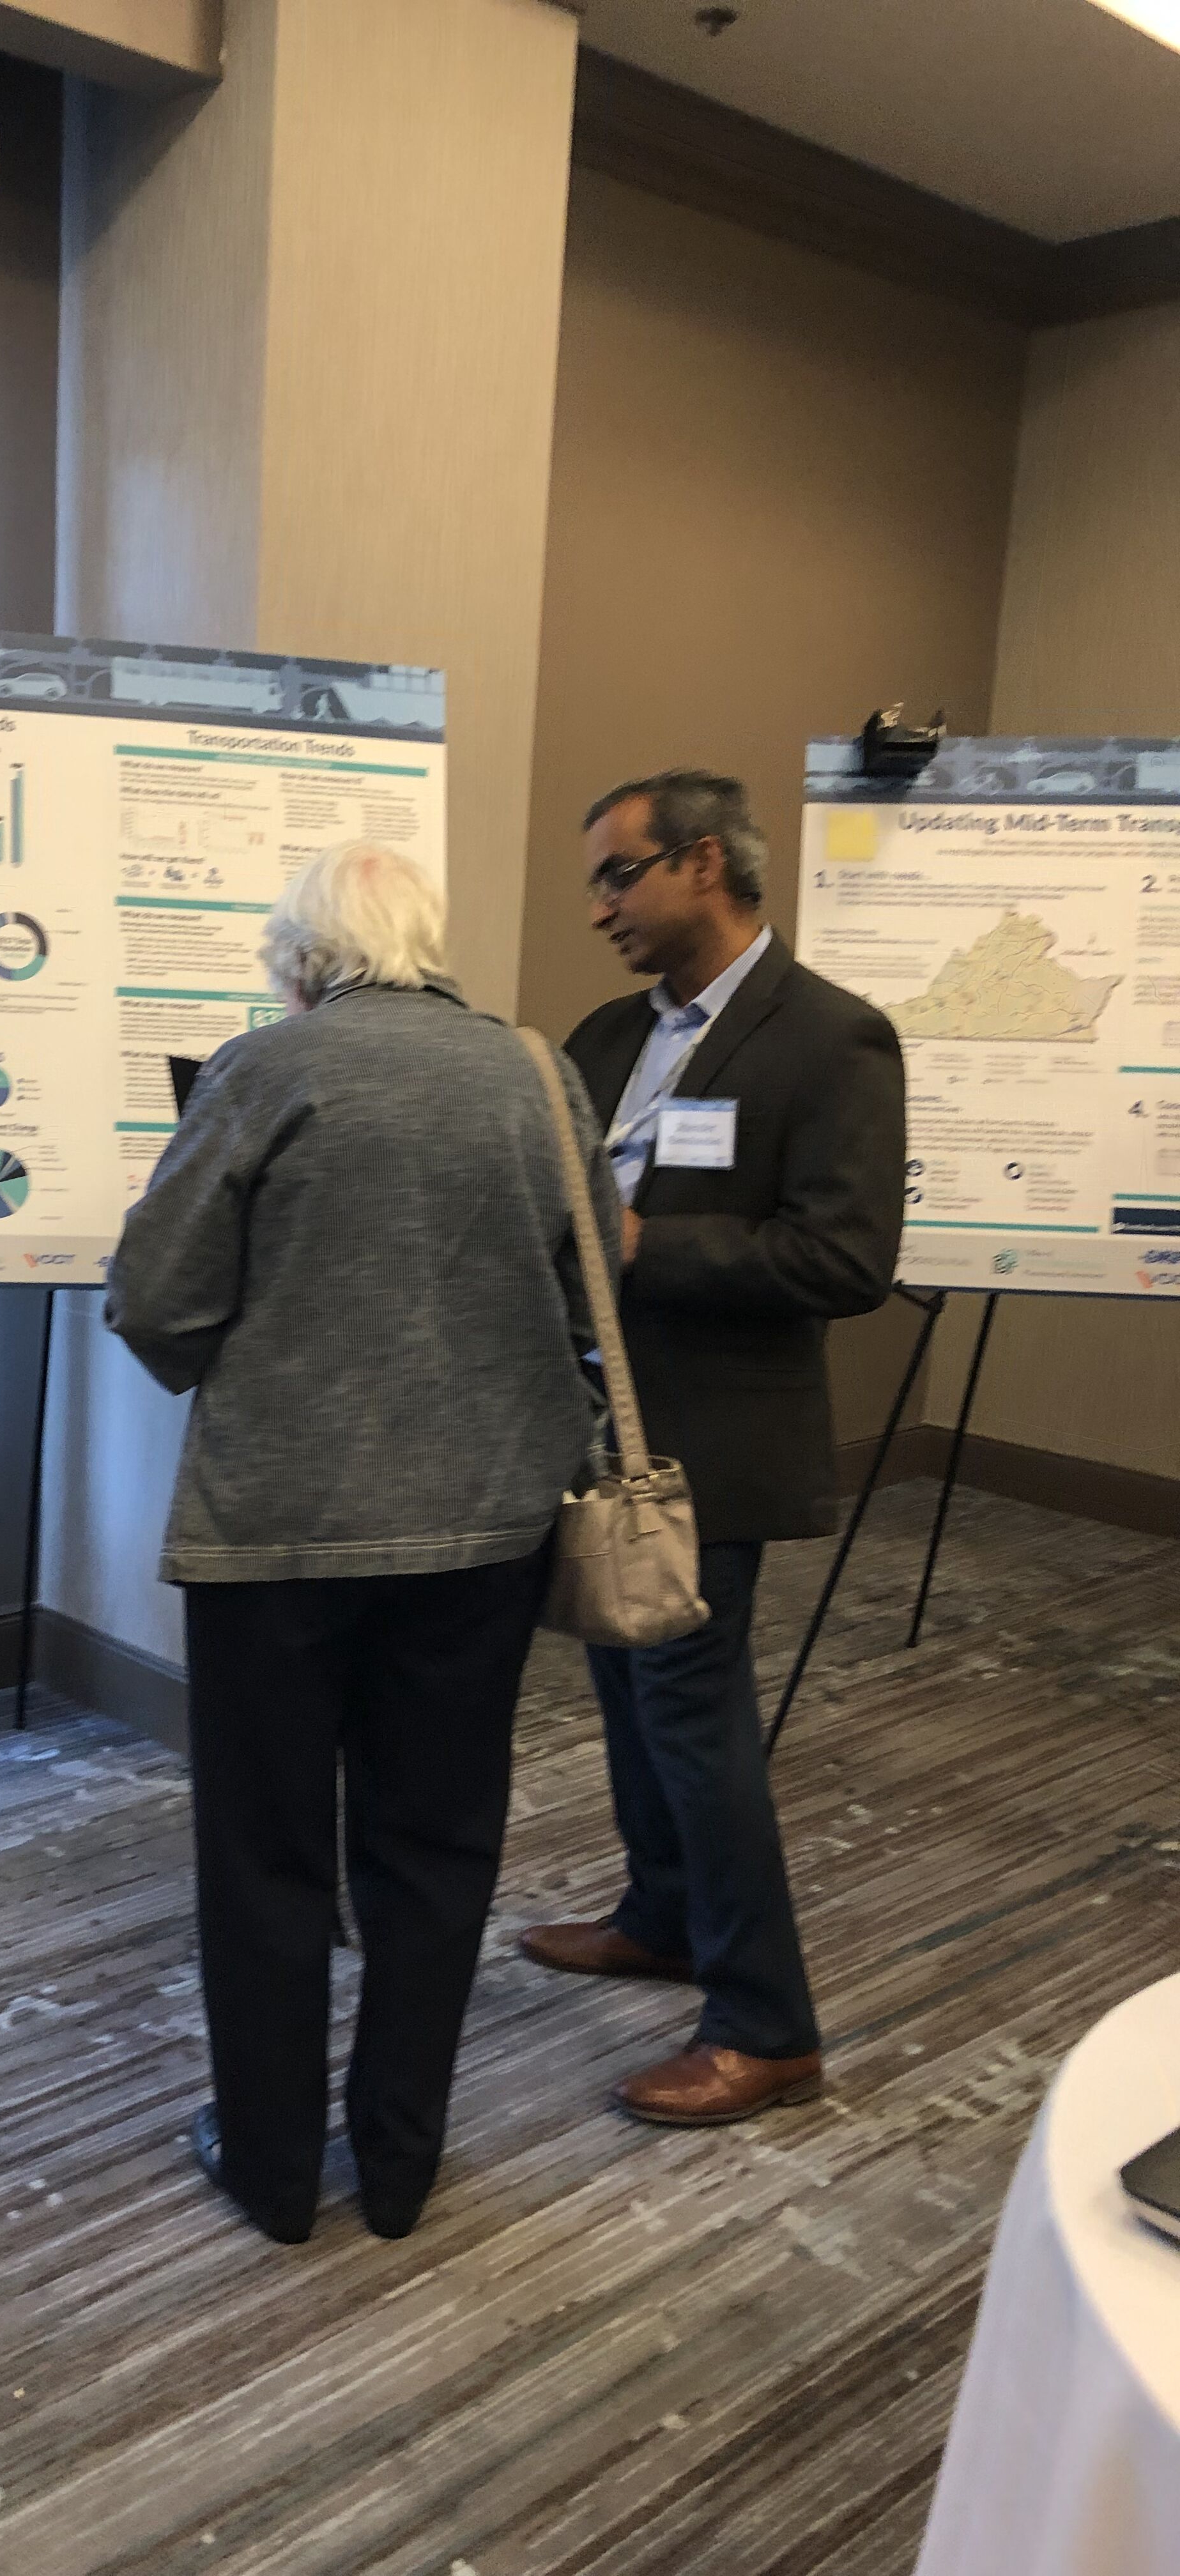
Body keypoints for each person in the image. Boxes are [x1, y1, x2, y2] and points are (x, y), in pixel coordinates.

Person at [107, 844, 618, 2244]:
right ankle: (399, 2163)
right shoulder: (539, 1074)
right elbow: (598, 1288)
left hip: (280, 1531)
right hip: (486, 1527)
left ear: (306, 960)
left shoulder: (262, 1072)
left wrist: (248, 1350)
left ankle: (272, 2168)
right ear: (427, 945)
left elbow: (155, 1300)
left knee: (266, 1854)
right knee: (437, 1849)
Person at [518, 770, 905, 2126]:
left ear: (703, 865)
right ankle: (663, 1915)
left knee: (693, 1713)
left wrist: (643, 1244)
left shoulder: (834, 1038)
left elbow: (848, 1259)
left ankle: (767, 2026)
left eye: (617, 876)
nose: (600, 909)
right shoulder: (606, 1036)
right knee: (628, 1690)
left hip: (716, 1440)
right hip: (593, 1423)